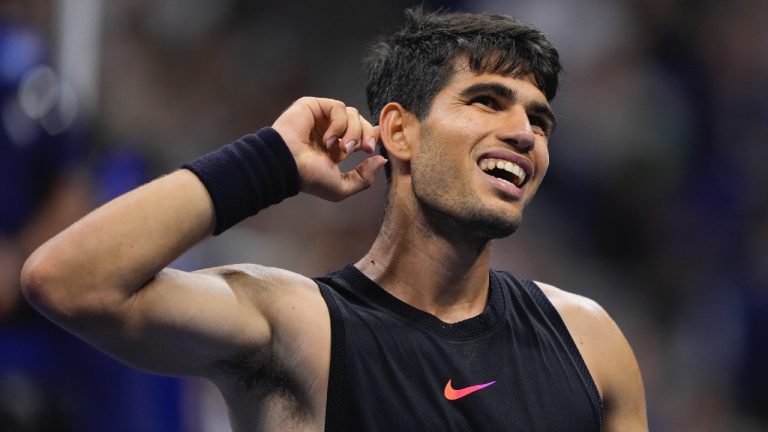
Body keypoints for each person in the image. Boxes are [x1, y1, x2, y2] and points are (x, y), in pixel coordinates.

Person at [20, 8, 647, 432]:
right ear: (399, 131)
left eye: (539, 121)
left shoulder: (590, 341)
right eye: (487, 102)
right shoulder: (302, 328)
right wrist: (268, 163)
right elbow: (67, 280)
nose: (523, 134)